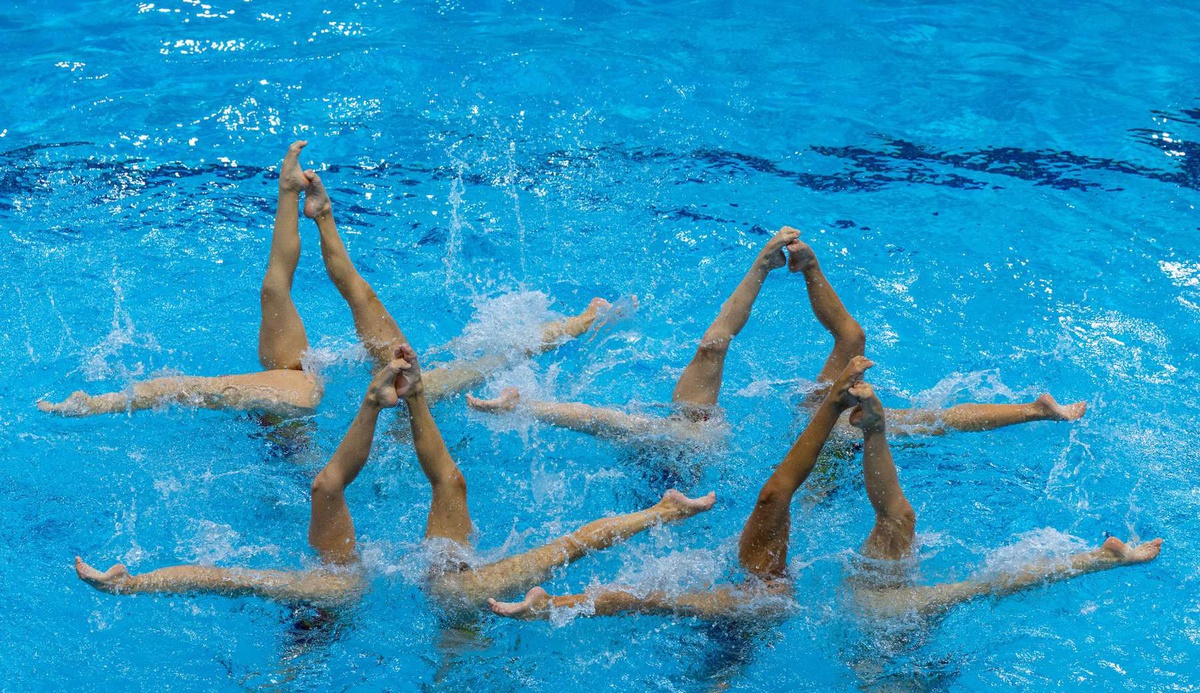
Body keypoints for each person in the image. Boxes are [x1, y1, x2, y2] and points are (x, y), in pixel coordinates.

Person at [487, 360, 1159, 621]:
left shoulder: (763, 592)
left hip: (810, 558)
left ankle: (563, 599)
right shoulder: (784, 595)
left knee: (869, 511)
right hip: (826, 576)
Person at [74, 345, 716, 612]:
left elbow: (227, 575)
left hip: (430, 602)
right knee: (349, 491)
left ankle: (137, 586)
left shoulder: (418, 589)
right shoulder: (433, 584)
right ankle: (664, 511)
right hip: (425, 594)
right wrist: (396, 401)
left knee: (341, 497)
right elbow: (572, 543)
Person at [38, 141, 606, 418]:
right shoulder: (331, 389)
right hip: (297, 434)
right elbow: (354, 291)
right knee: (305, 330)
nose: (402, 359)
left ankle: (314, 211)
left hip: (324, 424)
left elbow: (507, 353)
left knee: (325, 368)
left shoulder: (425, 392)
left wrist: (580, 324)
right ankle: (296, 199)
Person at [467, 229, 1087, 442]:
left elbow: (942, 415)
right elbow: (845, 334)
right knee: (689, 388)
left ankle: (1034, 410)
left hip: (805, 459)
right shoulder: (705, 428)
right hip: (694, 452)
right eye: (855, 378)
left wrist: (813, 268)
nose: (862, 375)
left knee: (917, 420)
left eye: (856, 380)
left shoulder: (850, 425)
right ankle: (526, 406)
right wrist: (778, 266)